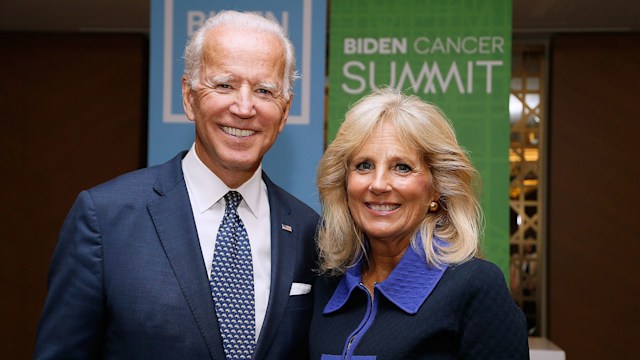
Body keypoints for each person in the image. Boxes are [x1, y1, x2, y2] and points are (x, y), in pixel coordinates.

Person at [34, 10, 319, 360]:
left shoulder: (309, 232)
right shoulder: (104, 219)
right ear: (189, 96)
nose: (244, 108)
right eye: (225, 85)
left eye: (264, 90)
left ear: (285, 110)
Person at [309, 88, 529, 359]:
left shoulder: (475, 287)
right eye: (364, 165)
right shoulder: (328, 282)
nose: (378, 184)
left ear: (437, 188)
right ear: (344, 183)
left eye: (402, 167)